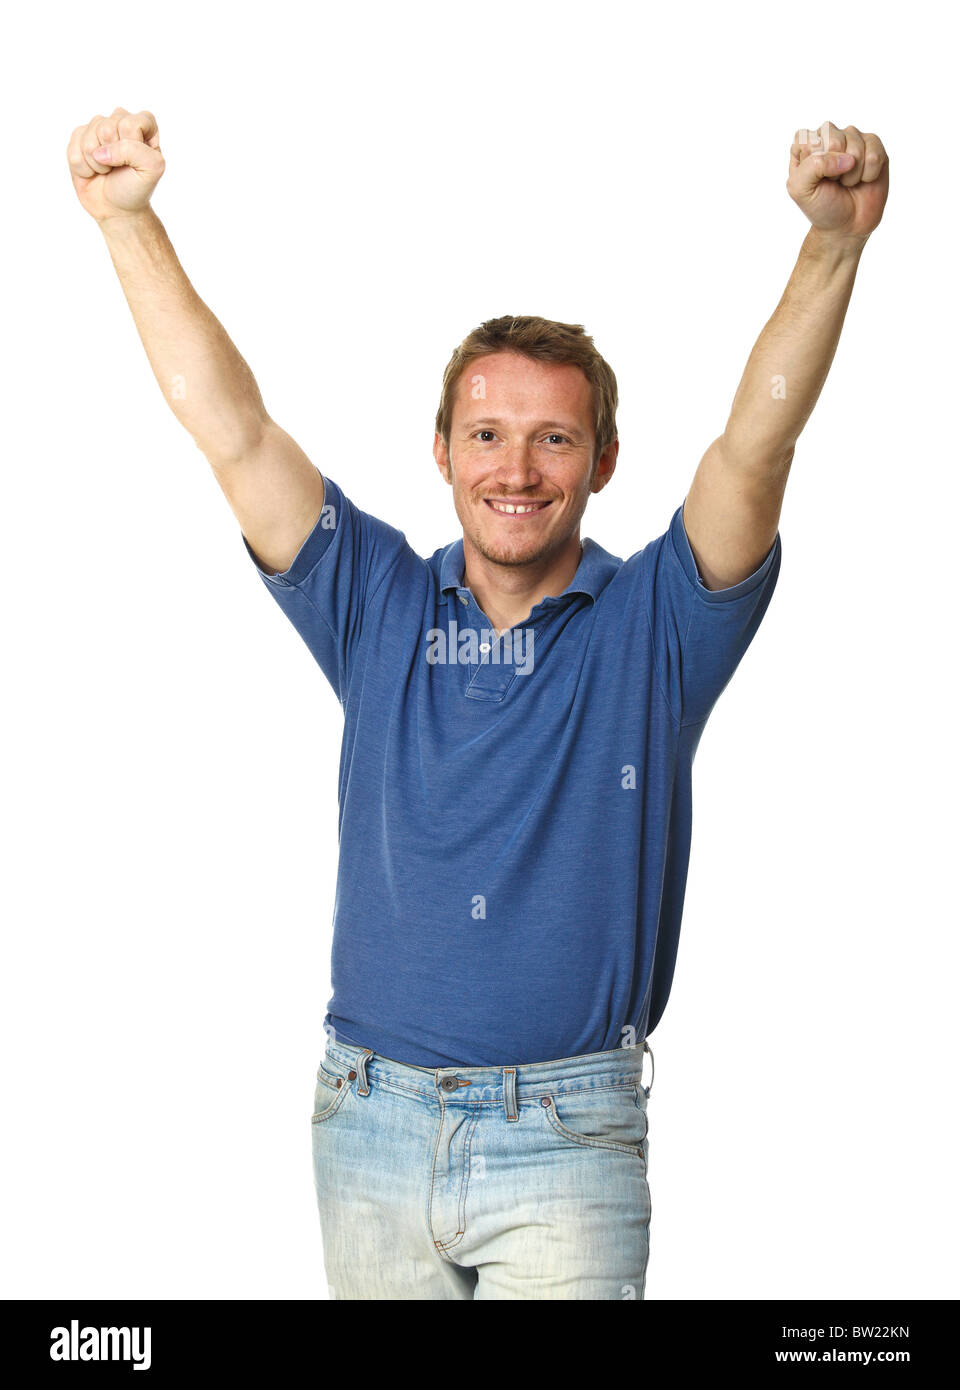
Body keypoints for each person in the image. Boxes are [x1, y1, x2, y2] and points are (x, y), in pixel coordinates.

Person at [67, 109, 888, 1301]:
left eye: (555, 439)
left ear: (603, 459)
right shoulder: (378, 599)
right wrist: (128, 221)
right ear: (442, 451)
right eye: (489, 435)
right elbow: (230, 428)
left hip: (566, 1139)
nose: (517, 470)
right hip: (369, 1122)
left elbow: (754, 450)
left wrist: (832, 247)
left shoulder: (652, 627)